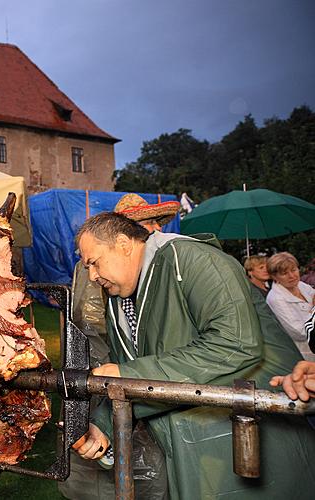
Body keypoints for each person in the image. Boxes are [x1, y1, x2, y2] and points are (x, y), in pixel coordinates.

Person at [74, 211, 315, 499]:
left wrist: (129, 376)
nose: (91, 275)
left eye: (94, 262)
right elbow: (132, 369)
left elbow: (235, 342)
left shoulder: (191, 259)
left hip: (253, 447)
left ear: (124, 244)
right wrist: (103, 425)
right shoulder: (118, 300)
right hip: (193, 458)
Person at [60, 193, 179, 500]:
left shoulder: (164, 264)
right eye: (147, 223)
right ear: (126, 236)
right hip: (113, 372)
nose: (153, 230)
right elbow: (92, 327)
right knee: (124, 464)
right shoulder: (99, 268)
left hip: (146, 378)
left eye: (155, 222)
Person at [266, 252, 315, 361]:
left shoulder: (301, 285)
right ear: (274, 277)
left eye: (293, 270)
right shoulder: (276, 298)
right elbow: (299, 332)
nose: (292, 276)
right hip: (302, 353)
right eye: (284, 273)